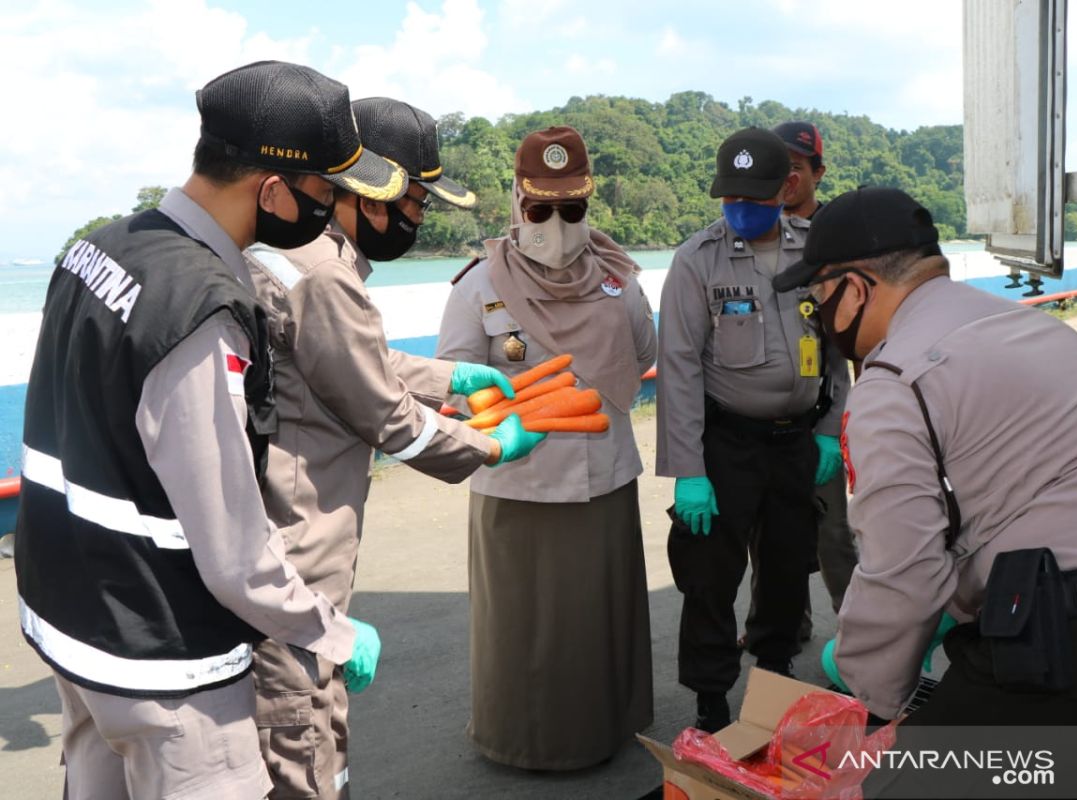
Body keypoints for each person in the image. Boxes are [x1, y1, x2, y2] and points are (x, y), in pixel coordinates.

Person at [14, 61, 404, 799]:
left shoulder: (101, 247)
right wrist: (333, 631)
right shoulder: (201, 311)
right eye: (324, 192)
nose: (326, 211)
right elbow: (234, 553)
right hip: (165, 663)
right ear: (271, 190)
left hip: (70, 624)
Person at [775, 186, 1077, 768]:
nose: (819, 316)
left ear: (855, 287)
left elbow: (902, 572)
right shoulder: (1026, 327)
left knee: (900, 780)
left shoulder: (893, 380)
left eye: (818, 296)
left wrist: (865, 689)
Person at [244, 97, 544, 798]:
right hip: (297, 532)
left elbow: (355, 361)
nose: (418, 218)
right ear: (366, 190)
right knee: (306, 735)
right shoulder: (316, 271)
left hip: (293, 529)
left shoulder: (310, 256)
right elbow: (384, 411)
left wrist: (452, 378)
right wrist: (487, 447)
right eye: (414, 201)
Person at [436, 125, 657, 770]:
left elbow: (643, 354)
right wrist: (509, 411)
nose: (556, 224)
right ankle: (518, 739)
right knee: (521, 628)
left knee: (598, 618)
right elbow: (450, 383)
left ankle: (603, 730)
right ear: (516, 203)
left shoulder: (619, 281)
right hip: (517, 485)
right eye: (540, 209)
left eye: (572, 209)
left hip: (603, 479)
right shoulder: (478, 287)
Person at [656, 127, 849, 733]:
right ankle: (711, 698)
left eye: (753, 198)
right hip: (726, 444)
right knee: (710, 576)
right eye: (729, 198)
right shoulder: (697, 260)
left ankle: (773, 673)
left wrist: (830, 427)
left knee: (788, 564)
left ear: (786, 188)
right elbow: (680, 369)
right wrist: (689, 471)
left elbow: (840, 344)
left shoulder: (816, 248)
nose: (739, 210)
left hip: (797, 440)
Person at [771, 121, 857, 642]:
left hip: (827, 405)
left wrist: (849, 420)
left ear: (818, 173)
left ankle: (856, 628)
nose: (785, 179)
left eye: (796, 168)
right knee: (773, 531)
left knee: (832, 530)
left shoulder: (839, 239)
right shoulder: (756, 229)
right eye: (777, 168)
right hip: (767, 414)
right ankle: (787, 624)